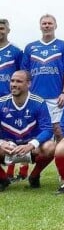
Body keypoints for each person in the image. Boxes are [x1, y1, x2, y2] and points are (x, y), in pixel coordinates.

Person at [0, 70, 56, 191]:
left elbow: (47, 129)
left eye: (19, 81)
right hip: (7, 147)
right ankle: (2, 179)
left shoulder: (39, 102)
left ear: (28, 84)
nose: (14, 84)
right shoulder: (1, 102)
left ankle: (34, 176)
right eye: (12, 81)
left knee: (51, 147)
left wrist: (31, 144)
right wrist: (1, 143)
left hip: (31, 147)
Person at [22, 14, 64, 141]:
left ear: (55, 25)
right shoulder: (30, 47)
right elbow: (24, 73)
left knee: (59, 131)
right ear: (40, 26)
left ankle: (62, 159)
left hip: (56, 97)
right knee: (33, 131)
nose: (47, 26)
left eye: (50, 23)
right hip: (35, 98)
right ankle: (26, 160)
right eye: (44, 23)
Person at [0, 19, 27, 181]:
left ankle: (21, 170)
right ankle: (4, 175)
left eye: (2, 28)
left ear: (8, 30)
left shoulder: (16, 51)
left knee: (18, 132)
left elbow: (22, 75)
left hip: (10, 100)